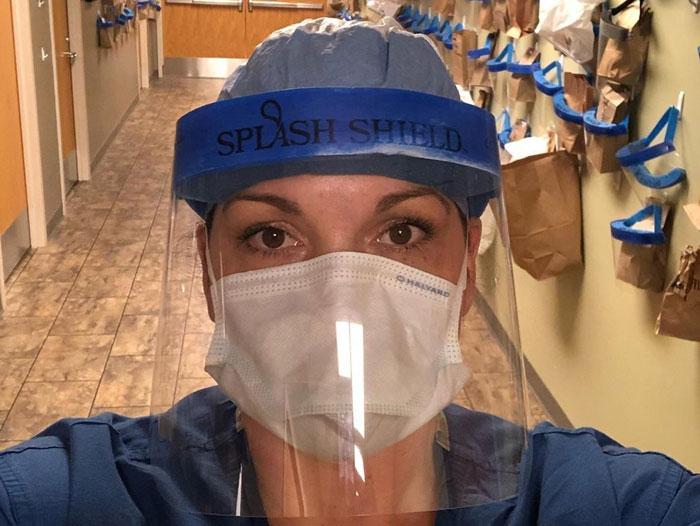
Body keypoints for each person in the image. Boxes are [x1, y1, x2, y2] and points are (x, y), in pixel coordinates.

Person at [0, 17, 698, 526]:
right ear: (210, 274)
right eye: (273, 236)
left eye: (401, 232)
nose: (340, 303)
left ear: (465, 266)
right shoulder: (76, 498)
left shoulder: (603, 503)